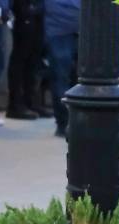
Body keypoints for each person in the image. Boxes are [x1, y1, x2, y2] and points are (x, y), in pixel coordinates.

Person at [4, 0, 47, 120]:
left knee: (34, 59)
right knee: (21, 58)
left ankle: (30, 102)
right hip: (23, 10)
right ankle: (15, 105)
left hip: (37, 11)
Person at [43, 0, 78, 137]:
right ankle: (65, 123)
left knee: (65, 78)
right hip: (60, 28)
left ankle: (68, 123)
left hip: (67, 28)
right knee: (61, 78)